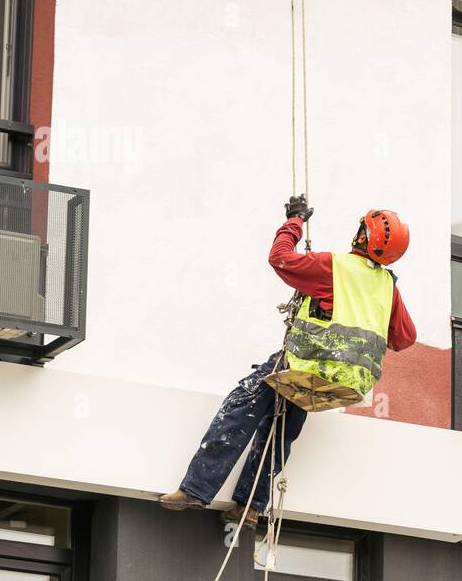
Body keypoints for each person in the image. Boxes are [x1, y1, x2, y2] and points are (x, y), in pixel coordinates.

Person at [159, 198, 415, 529]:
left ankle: (196, 489)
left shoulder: (333, 267)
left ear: (363, 237)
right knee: (280, 431)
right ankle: (250, 507)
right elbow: (404, 337)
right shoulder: (387, 288)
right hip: (341, 385)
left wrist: (295, 220)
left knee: (242, 405)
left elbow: (279, 258)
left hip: (304, 366)